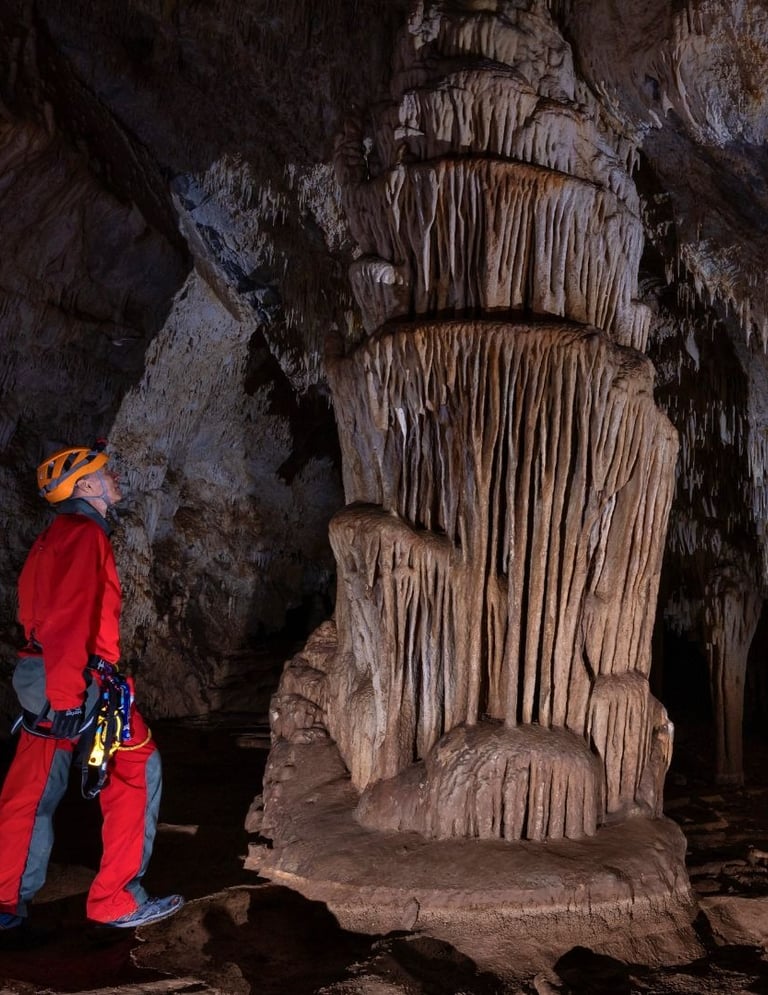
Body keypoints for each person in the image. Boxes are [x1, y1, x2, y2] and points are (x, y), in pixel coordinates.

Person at [0, 443, 183, 932]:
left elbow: (33, 614)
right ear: (85, 486)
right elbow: (70, 616)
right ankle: (114, 900)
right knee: (137, 766)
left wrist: (55, 689)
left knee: (31, 789)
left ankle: (6, 898)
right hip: (76, 678)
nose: (115, 476)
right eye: (106, 472)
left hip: (47, 674)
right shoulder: (84, 535)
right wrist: (66, 695)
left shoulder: (53, 536)